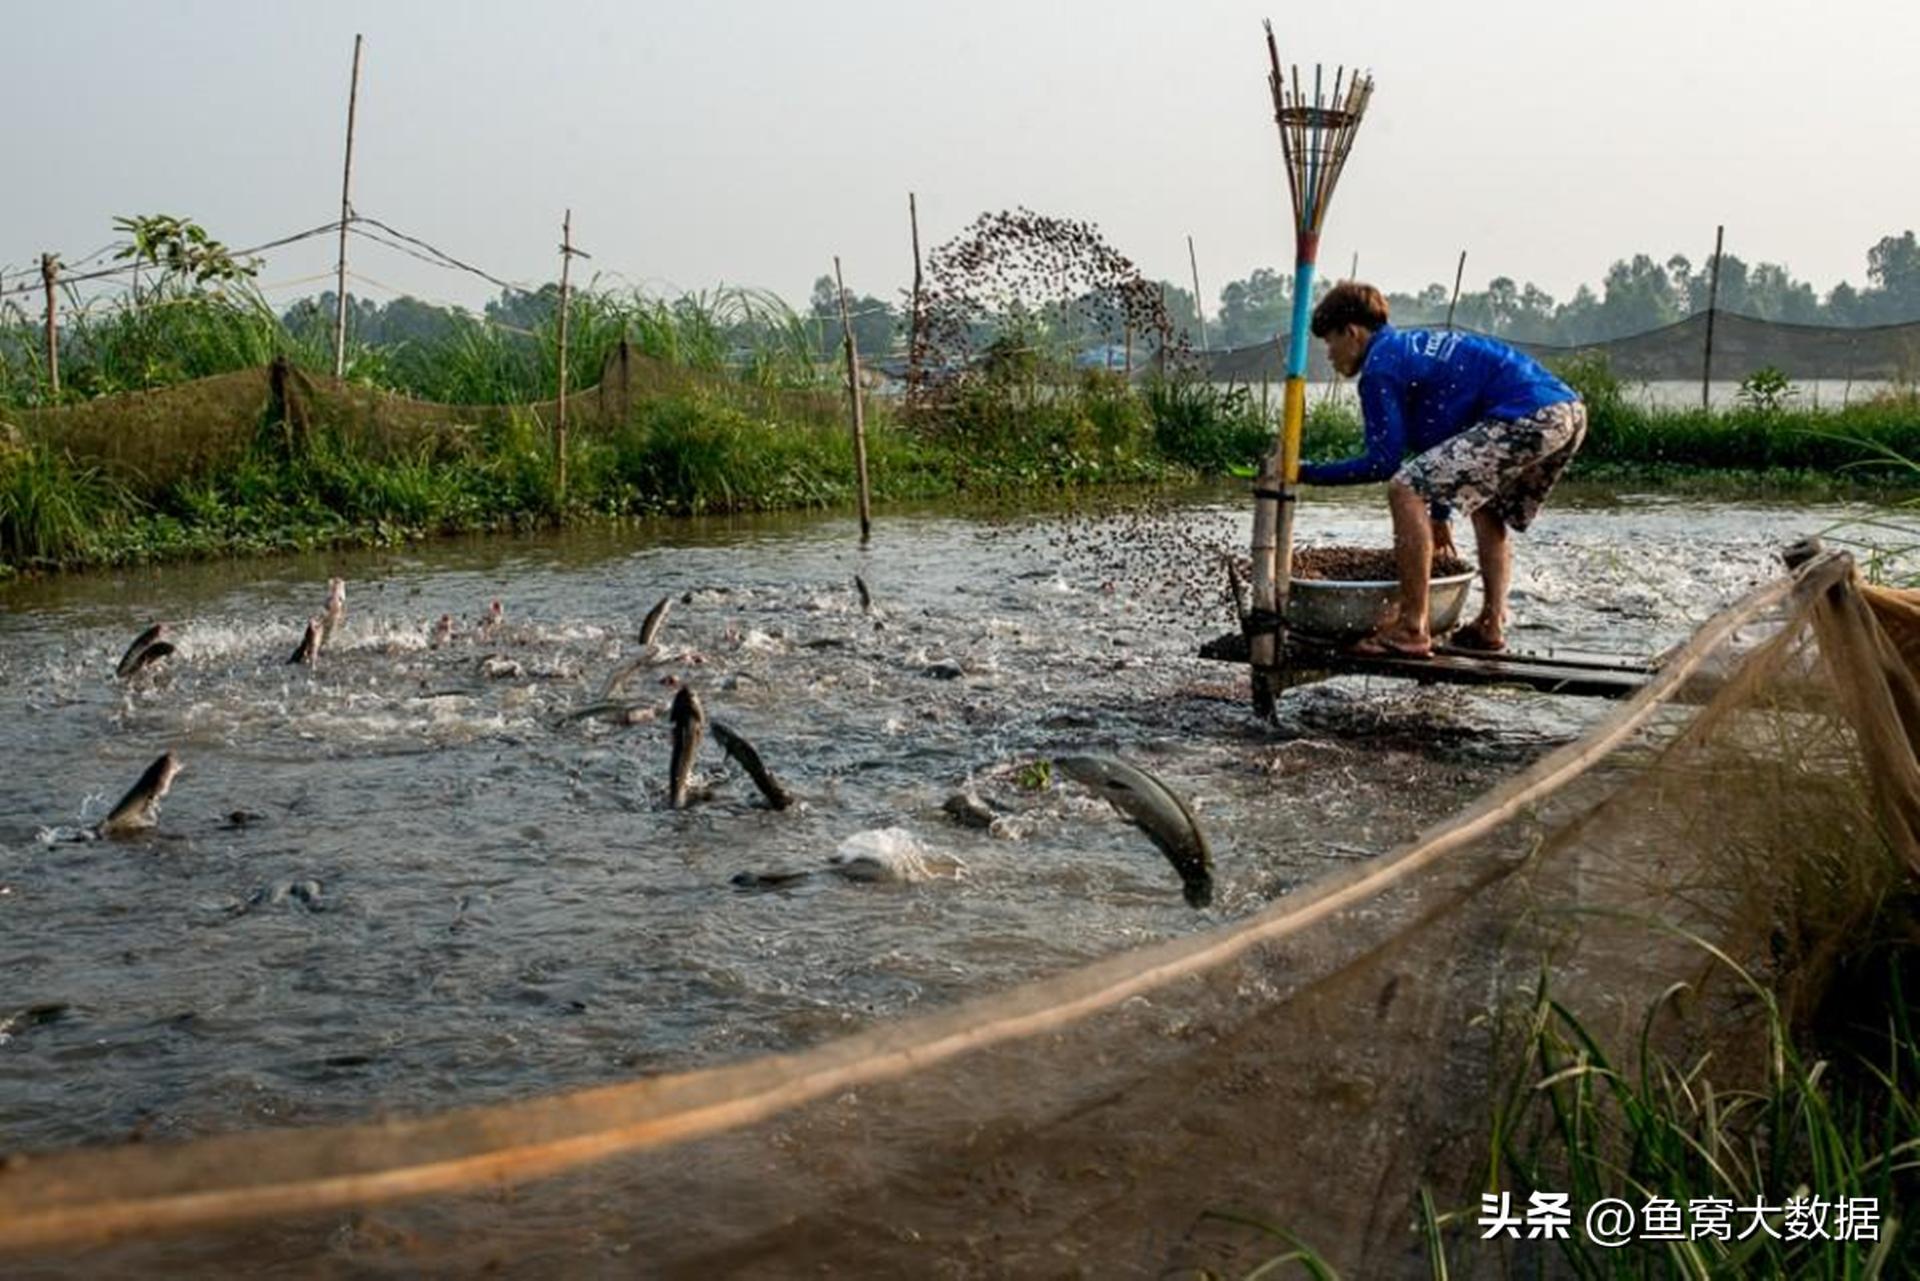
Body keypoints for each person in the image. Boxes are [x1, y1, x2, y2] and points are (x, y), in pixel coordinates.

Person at [1298, 282, 1586, 658]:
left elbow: (1384, 462)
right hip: (1567, 411)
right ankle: (1491, 624)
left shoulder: (1381, 368)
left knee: (1403, 489)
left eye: (1329, 342)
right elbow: (1446, 441)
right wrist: (1439, 513)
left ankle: (1411, 628)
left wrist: (1304, 472)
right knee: (1488, 507)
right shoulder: (1407, 348)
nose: (1330, 355)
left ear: (1352, 332)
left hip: (1528, 416)